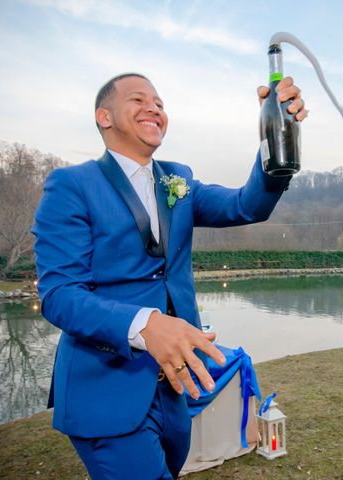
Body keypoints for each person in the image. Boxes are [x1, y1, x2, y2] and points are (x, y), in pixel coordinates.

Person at [31, 73, 308, 479]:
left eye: (159, 102)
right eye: (138, 99)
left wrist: (277, 137)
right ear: (104, 116)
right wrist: (146, 325)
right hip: (105, 389)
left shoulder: (178, 179)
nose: (154, 108)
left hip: (175, 388)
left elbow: (247, 206)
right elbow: (58, 294)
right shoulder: (72, 185)